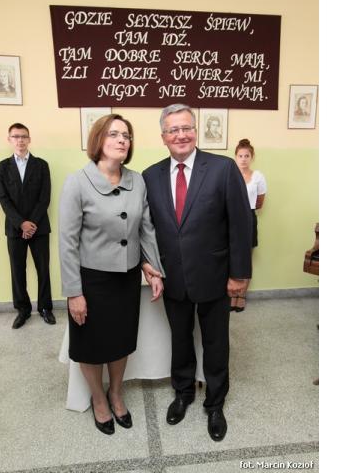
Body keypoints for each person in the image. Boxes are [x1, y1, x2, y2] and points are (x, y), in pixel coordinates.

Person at [142, 104, 252, 442]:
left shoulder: (222, 168)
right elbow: (147, 228)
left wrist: (239, 274)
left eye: (186, 128)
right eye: (173, 130)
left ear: (196, 131)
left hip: (215, 276)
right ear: (163, 137)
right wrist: (148, 265)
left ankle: (215, 403)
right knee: (180, 339)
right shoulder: (150, 176)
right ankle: (183, 392)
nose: (181, 135)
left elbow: (241, 224)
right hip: (172, 276)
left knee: (216, 342)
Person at [58, 114, 165, 435]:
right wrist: (74, 292)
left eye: (126, 135)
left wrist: (152, 267)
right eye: (114, 134)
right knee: (90, 345)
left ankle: (116, 393)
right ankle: (98, 397)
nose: (122, 140)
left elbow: (145, 228)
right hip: (91, 280)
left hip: (126, 278)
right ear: (98, 140)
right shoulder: (77, 182)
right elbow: (67, 242)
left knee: (121, 341)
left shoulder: (137, 181)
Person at [0, 123, 55, 329]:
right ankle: (23, 310)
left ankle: (45, 308)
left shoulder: (41, 165)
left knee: (43, 269)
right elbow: (3, 198)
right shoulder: (1, 167)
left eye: (23, 136)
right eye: (16, 136)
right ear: (9, 140)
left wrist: (31, 224)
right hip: (14, 228)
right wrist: (21, 223)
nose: (20, 140)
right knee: (17, 270)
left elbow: (45, 197)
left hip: (39, 227)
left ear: (29, 139)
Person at [232, 139, 267, 312]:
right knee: (231, 257)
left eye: (247, 156)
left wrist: (247, 210)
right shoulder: (230, 175)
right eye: (240, 156)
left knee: (246, 258)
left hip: (248, 217)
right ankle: (232, 294)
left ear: (252, 157)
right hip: (231, 219)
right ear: (235, 157)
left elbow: (259, 202)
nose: (243, 159)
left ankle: (241, 296)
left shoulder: (258, 176)